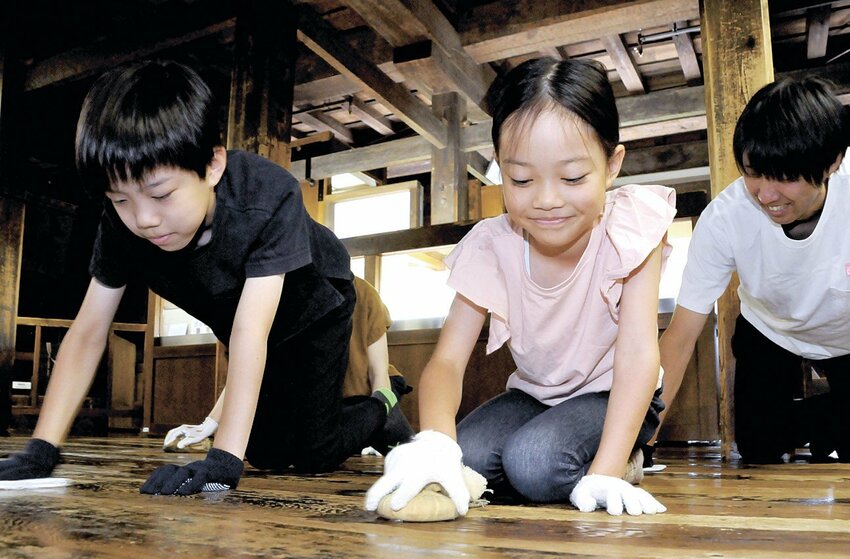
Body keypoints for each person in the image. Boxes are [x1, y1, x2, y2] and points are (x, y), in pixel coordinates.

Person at [0, 60, 409, 493]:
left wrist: (222, 467)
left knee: (311, 452)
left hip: (318, 305)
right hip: (247, 316)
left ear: (212, 166)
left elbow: (251, 333)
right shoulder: (122, 225)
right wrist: (40, 451)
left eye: (161, 194)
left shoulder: (267, 197)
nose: (144, 219)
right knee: (268, 453)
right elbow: (88, 330)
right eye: (120, 199)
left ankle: (385, 402)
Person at [366, 58, 676, 518]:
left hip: (615, 393)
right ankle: (557, 455)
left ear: (612, 166)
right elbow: (447, 362)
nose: (546, 199)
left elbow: (637, 356)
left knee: (535, 464)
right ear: (501, 171)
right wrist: (435, 445)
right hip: (535, 396)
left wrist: (606, 472)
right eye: (522, 179)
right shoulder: (495, 245)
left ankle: (627, 456)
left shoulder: (630, 227)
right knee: (466, 456)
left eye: (572, 178)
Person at [654, 76, 850, 474]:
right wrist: (641, 441)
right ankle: (810, 422)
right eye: (754, 173)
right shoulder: (724, 217)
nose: (766, 195)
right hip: (770, 331)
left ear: (832, 161)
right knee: (757, 450)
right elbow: (681, 335)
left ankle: (827, 420)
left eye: (784, 176)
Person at [162, 276, 413, 454]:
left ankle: (388, 438)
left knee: (396, 445)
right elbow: (247, 368)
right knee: (269, 452)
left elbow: (379, 373)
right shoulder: (276, 297)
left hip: (366, 394)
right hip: (318, 397)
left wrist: (378, 412)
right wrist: (211, 423)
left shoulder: (363, 292)